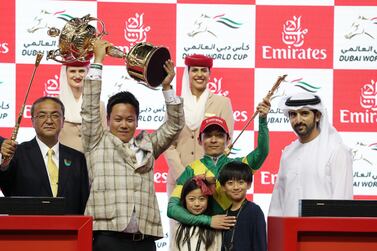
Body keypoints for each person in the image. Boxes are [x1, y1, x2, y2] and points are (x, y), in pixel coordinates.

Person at [82, 39, 184, 251]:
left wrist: (167, 87)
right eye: (118, 119)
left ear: (137, 120)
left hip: (144, 241)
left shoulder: (146, 144)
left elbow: (175, 125)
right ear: (108, 119)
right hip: (107, 239)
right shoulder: (96, 141)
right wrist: (98, 61)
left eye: (130, 119)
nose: (124, 124)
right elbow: (90, 106)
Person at [168, 97, 270, 231]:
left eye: (220, 135)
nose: (214, 140)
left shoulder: (238, 165)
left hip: (234, 235)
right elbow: (172, 209)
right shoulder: (190, 170)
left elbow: (262, 151)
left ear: (228, 140)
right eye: (208, 135)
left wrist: (262, 120)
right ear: (200, 140)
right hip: (203, 238)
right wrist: (208, 220)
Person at [268, 92, 353, 217]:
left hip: (321, 233)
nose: (298, 120)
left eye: (304, 113)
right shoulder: (288, 152)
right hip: (289, 232)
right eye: (293, 115)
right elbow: (278, 200)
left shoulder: (336, 150)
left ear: (317, 116)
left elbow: (343, 201)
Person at [0, 97, 89, 214]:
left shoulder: (77, 159)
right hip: (28, 229)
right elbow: (5, 183)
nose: (49, 121)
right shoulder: (17, 154)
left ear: (63, 121)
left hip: (67, 229)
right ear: (32, 121)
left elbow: (83, 202)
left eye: (55, 115)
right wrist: (4, 163)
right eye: (42, 115)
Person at [164, 54, 234, 196]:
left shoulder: (222, 103)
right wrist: (182, 175)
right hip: (179, 181)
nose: (199, 74)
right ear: (187, 73)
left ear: (209, 74)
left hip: (211, 182)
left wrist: (208, 175)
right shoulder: (175, 104)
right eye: (195, 70)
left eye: (204, 70)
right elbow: (167, 143)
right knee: (180, 218)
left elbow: (226, 141)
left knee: (212, 219)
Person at [58, 60, 107, 152]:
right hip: (63, 159)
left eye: (81, 71)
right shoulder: (56, 103)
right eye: (72, 71)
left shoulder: (99, 105)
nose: (77, 76)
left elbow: (104, 138)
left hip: (90, 160)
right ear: (65, 73)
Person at [218, 161, 267, 251]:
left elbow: (261, 246)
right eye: (230, 183)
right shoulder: (223, 215)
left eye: (241, 182)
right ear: (223, 187)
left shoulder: (254, 211)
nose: (236, 187)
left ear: (248, 185)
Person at [174, 175, 221, 251]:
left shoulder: (215, 225)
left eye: (202, 199)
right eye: (191, 199)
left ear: (208, 200)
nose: (197, 204)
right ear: (184, 200)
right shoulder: (178, 227)